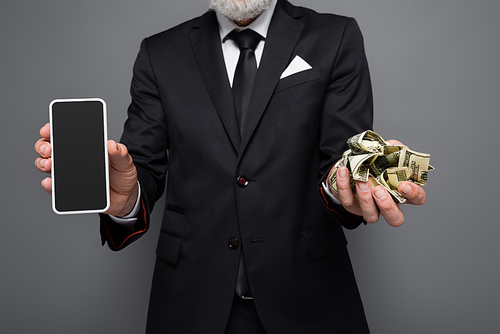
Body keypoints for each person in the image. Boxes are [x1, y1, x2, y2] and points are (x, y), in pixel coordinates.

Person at [34, 0, 426, 332]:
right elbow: (142, 171)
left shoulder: (336, 36)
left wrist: (352, 184)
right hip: (190, 305)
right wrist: (124, 200)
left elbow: (341, 156)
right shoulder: (159, 53)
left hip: (310, 300)